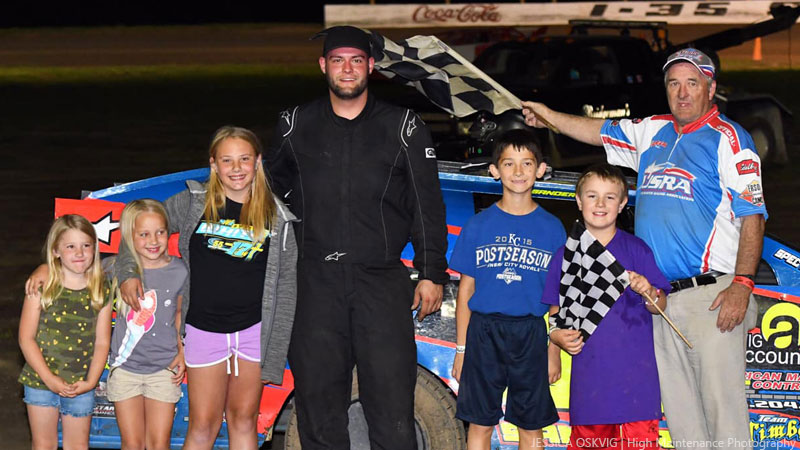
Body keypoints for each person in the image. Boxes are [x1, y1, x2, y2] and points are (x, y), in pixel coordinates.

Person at [523, 48, 767, 448]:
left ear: (711, 89)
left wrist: (742, 283)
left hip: (712, 296)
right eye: (674, 83)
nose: (682, 92)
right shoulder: (653, 130)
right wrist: (548, 115)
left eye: (692, 83)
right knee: (683, 420)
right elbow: (595, 131)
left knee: (723, 418)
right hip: (657, 301)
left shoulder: (730, 139)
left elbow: (752, 214)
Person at [266, 25, 448, 450]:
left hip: (380, 281)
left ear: (370, 66)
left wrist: (431, 272)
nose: (346, 69)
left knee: (392, 406)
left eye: (355, 61)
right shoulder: (294, 124)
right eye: (337, 61)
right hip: (314, 283)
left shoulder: (404, 127)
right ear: (323, 66)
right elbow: (267, 197)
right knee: (318, 405)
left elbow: (426, 205)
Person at [115, 126, 298, 449]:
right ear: (213, 164)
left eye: (244, 159)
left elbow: (286, 289)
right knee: (204, 425)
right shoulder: (193, 202)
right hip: (203, 331)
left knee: (244, 420)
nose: (236, 168)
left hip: (254, 334)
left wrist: (274, 354)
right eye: (227, 160)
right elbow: (138, 226)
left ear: (258, 162)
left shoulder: (278, 217)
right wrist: (128, 271)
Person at [448, 129, 562, 450]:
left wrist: (553, 350)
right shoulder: (478, 225)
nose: (518, 171)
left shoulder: (552, 228)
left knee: (531, 424)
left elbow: (557, 298)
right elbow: (465, 292)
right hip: (484, 333)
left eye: (527, 163)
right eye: (509, 163)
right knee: (480, 423)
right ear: (494, 170)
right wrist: (461, 350)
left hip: (530, 333)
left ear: (540, 169)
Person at [543, 164, 670, 449]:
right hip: (590, 383)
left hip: (637, 382)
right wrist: (555, 341)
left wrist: (649, 290)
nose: (600, 204)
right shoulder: (565, 255)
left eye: (610, 197)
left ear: (622, 204)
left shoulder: (637, 249)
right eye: (592, 196)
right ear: (579, 201)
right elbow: (556, 313)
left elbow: (660, 305)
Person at [18, 214, 113, 450]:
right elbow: (26, 339)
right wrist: (49, 379)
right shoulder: (42, 286)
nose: (79, 253)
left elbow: (102, 342)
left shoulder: (101, 288)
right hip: (40, 381)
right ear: (56, 251)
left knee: (78, 445)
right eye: (70, 246)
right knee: (43, 444)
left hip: (81, 384)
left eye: (86, 245)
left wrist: (90, 381)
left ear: (95, 248)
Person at [106, 199, 188, 450]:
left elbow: (180, 314)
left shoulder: (180, 271)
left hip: (164, 369)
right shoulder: (114, 268)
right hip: (125, 369)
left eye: (160, 232)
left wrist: (183, 351)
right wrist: (44, 269)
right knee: (131, 444)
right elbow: (76, 270)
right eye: (144, 234)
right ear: (129, 236)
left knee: (159, 444)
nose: (153, 241)